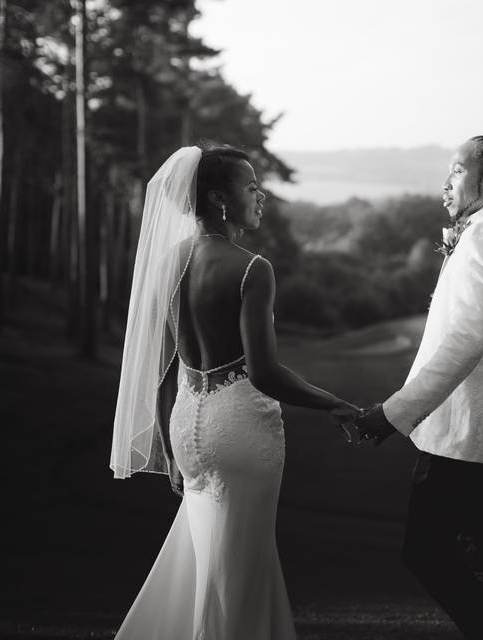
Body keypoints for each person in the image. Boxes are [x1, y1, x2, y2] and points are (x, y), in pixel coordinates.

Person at [109, 143, 358, 640]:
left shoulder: (167, 264)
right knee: (241, 568)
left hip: (187, 426)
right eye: (251, 187)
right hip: (240, 430)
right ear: (221, 199)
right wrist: (336, 403)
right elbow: (264, 373)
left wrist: (172, 449)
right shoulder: (252, 268)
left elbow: (163, 373)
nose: (260, 196)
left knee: (209, 560)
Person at [355, 135, 483, 639]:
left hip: (466, 429)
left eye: (457, 170)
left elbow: (465, 340)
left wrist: (395, 412)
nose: (446, 183)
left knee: (424, 550)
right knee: (482, 554)